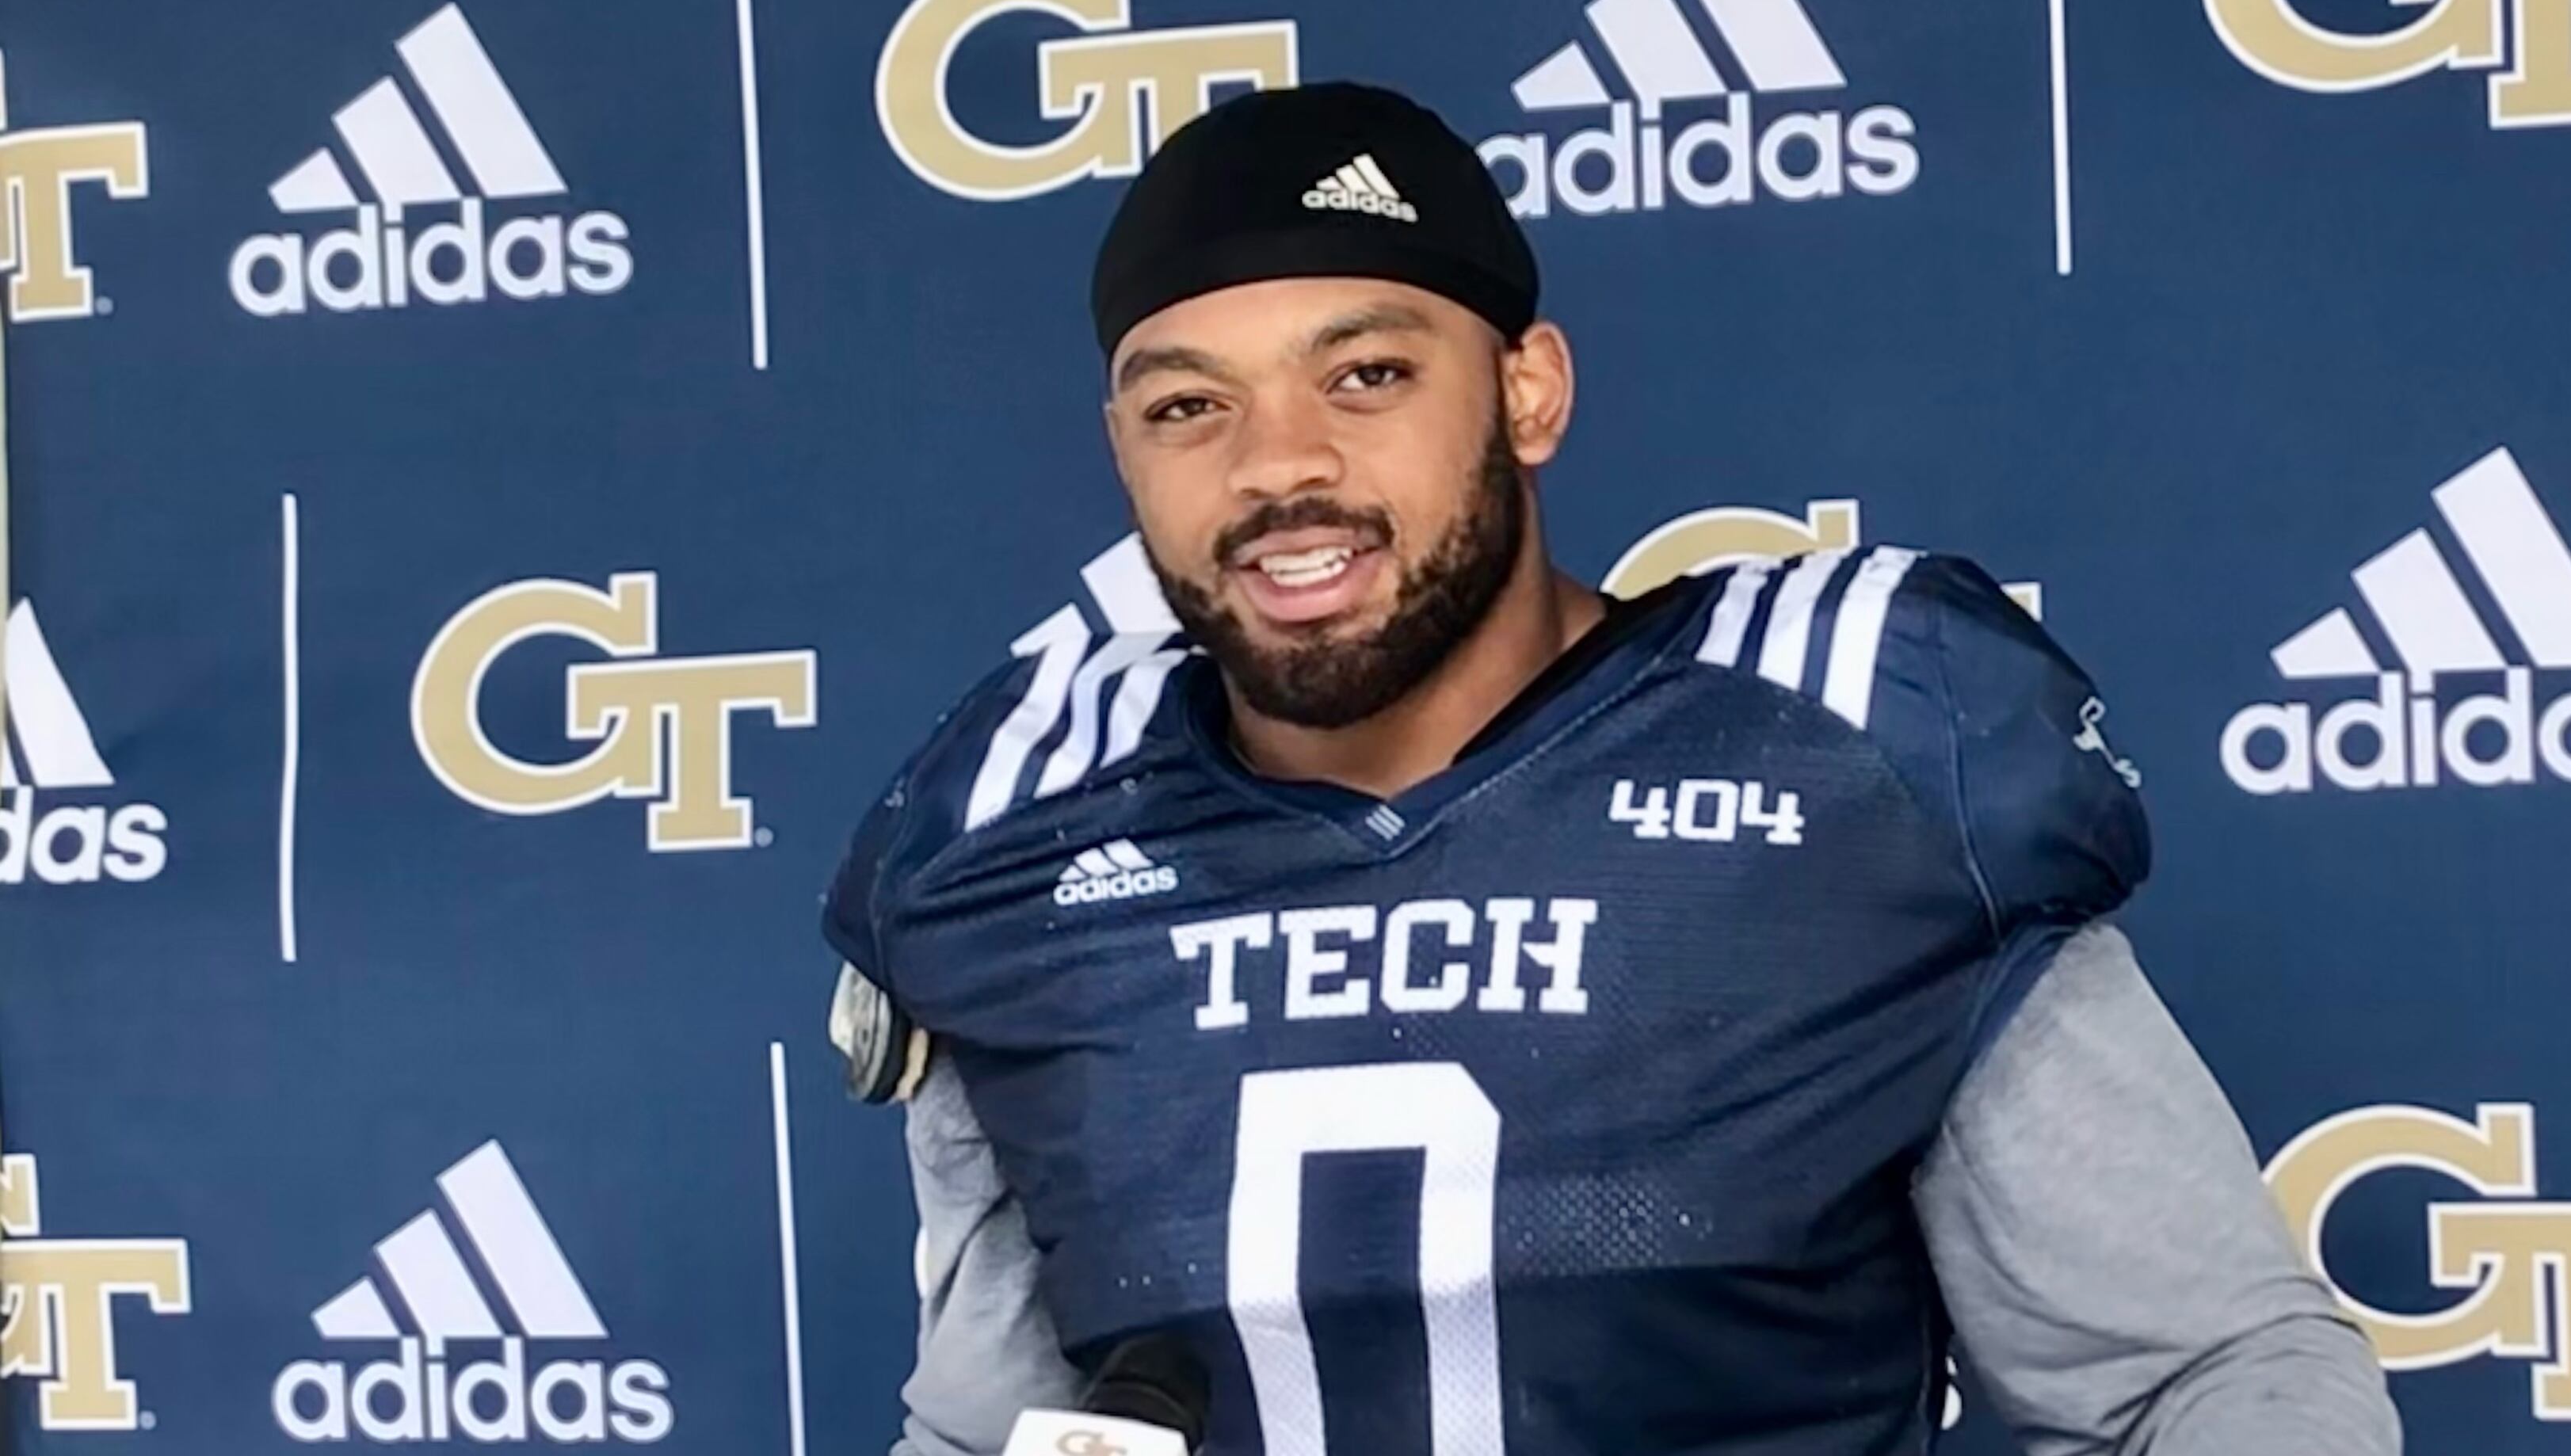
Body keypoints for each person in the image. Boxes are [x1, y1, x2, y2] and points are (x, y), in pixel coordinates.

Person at [822, 82, 2400, 1456]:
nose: (1278, 463)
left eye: (1366, 376)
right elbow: (983, 1430)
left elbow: (2199, 1375)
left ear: (1529, 392)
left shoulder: (1849, 758)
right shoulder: (1018, 836)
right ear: (1122, 448)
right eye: (1189, 405)